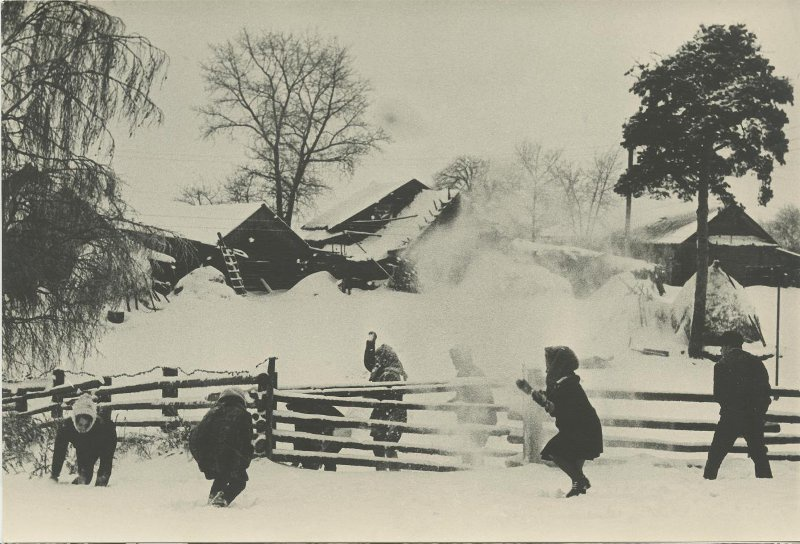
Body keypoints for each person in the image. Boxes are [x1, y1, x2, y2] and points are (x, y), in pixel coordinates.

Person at [516, 346, 603, 498]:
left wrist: (544, 401)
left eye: (549, 363)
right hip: (582, 427)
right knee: (574, 462)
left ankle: (580, 481)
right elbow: (551, 402)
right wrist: (533, 393)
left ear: (558, 365)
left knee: (555, 452)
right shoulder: (562, 383)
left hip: (583, 428)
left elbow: (556, 406)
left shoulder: (568, 384)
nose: (547, 368)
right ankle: (578, 487)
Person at [703, 330, 773, 480]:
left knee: (715, 455)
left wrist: (732, 408)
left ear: (727, 346)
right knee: (759, 456)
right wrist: (758, 411)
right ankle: (767, 487)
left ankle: (707, 483)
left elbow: (719, 395)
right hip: (753, 416)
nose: (721, 350)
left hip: (731, 416)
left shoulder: (722, 365)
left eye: (722, 346)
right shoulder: (756, 362)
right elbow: (765, 392)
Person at [189, 387, 254, 507]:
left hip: (204, 450)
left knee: (222, 476)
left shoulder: (213, 412)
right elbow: (245, 441)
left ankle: (213, 500)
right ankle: (219, 502)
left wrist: (201, 456)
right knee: (239, 481)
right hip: (226, 451)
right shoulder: (242, 414)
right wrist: (243, 461)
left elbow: (198, 433)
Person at [50, 393, 117, 486]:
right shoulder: (67, 427)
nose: (83, 428)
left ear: (91, 421)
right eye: (80, 425)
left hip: (102, 443)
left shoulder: (105, 428)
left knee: (101, 481)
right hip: (83, 445)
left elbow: (107, 459)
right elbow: (59, 451)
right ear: (75, 420)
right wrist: (54, 475)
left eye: (86, 425)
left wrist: (102, 478)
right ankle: (77, 486)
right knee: (85, 477)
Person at [364, 331, 408, 470]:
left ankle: (390, 473)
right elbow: (369, 363)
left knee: (387, 447)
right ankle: (384, 471)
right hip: (385, 413)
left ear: (384, 359)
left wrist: (370, 394)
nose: (376, 361)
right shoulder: (385, 371)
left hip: (391, 414)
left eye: (379, 358)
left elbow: (386, 394)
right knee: (380, 445)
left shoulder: (390, 374)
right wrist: (370, 343)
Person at [448, 345, 497, 464]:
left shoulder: (474, 373)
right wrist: (452, 403)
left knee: (474, 452)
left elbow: (479, 397)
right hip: (471, 420)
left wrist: (459, 404)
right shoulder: (463, 374)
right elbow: (462, 396)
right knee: (469, 451)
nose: (453, 362)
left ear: (462, 358)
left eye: (455, 359)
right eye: (452, 359)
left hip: (479, 419)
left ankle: (474, 472)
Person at [284, 398, 346, 471]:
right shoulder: (302, 413)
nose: (294, 411)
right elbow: (299, 437)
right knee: (323, 455)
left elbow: (316, 437)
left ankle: (328, 475)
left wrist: (297, 460)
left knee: (328, 457)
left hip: (341, 430)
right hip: (334, 429)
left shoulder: (314, 410)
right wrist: (296, 460)